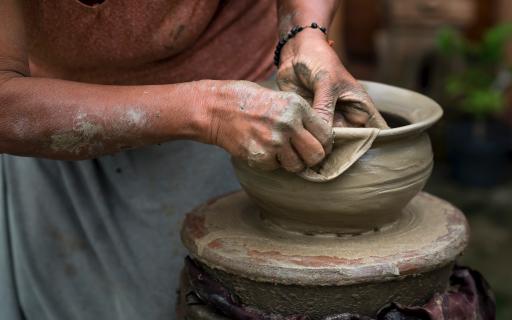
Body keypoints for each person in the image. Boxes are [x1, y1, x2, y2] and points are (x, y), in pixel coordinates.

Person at [0, 0, 386, 319]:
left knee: (201, 296)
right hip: (56, 116)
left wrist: (305, 31)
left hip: (240, 97)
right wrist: (208, 110)